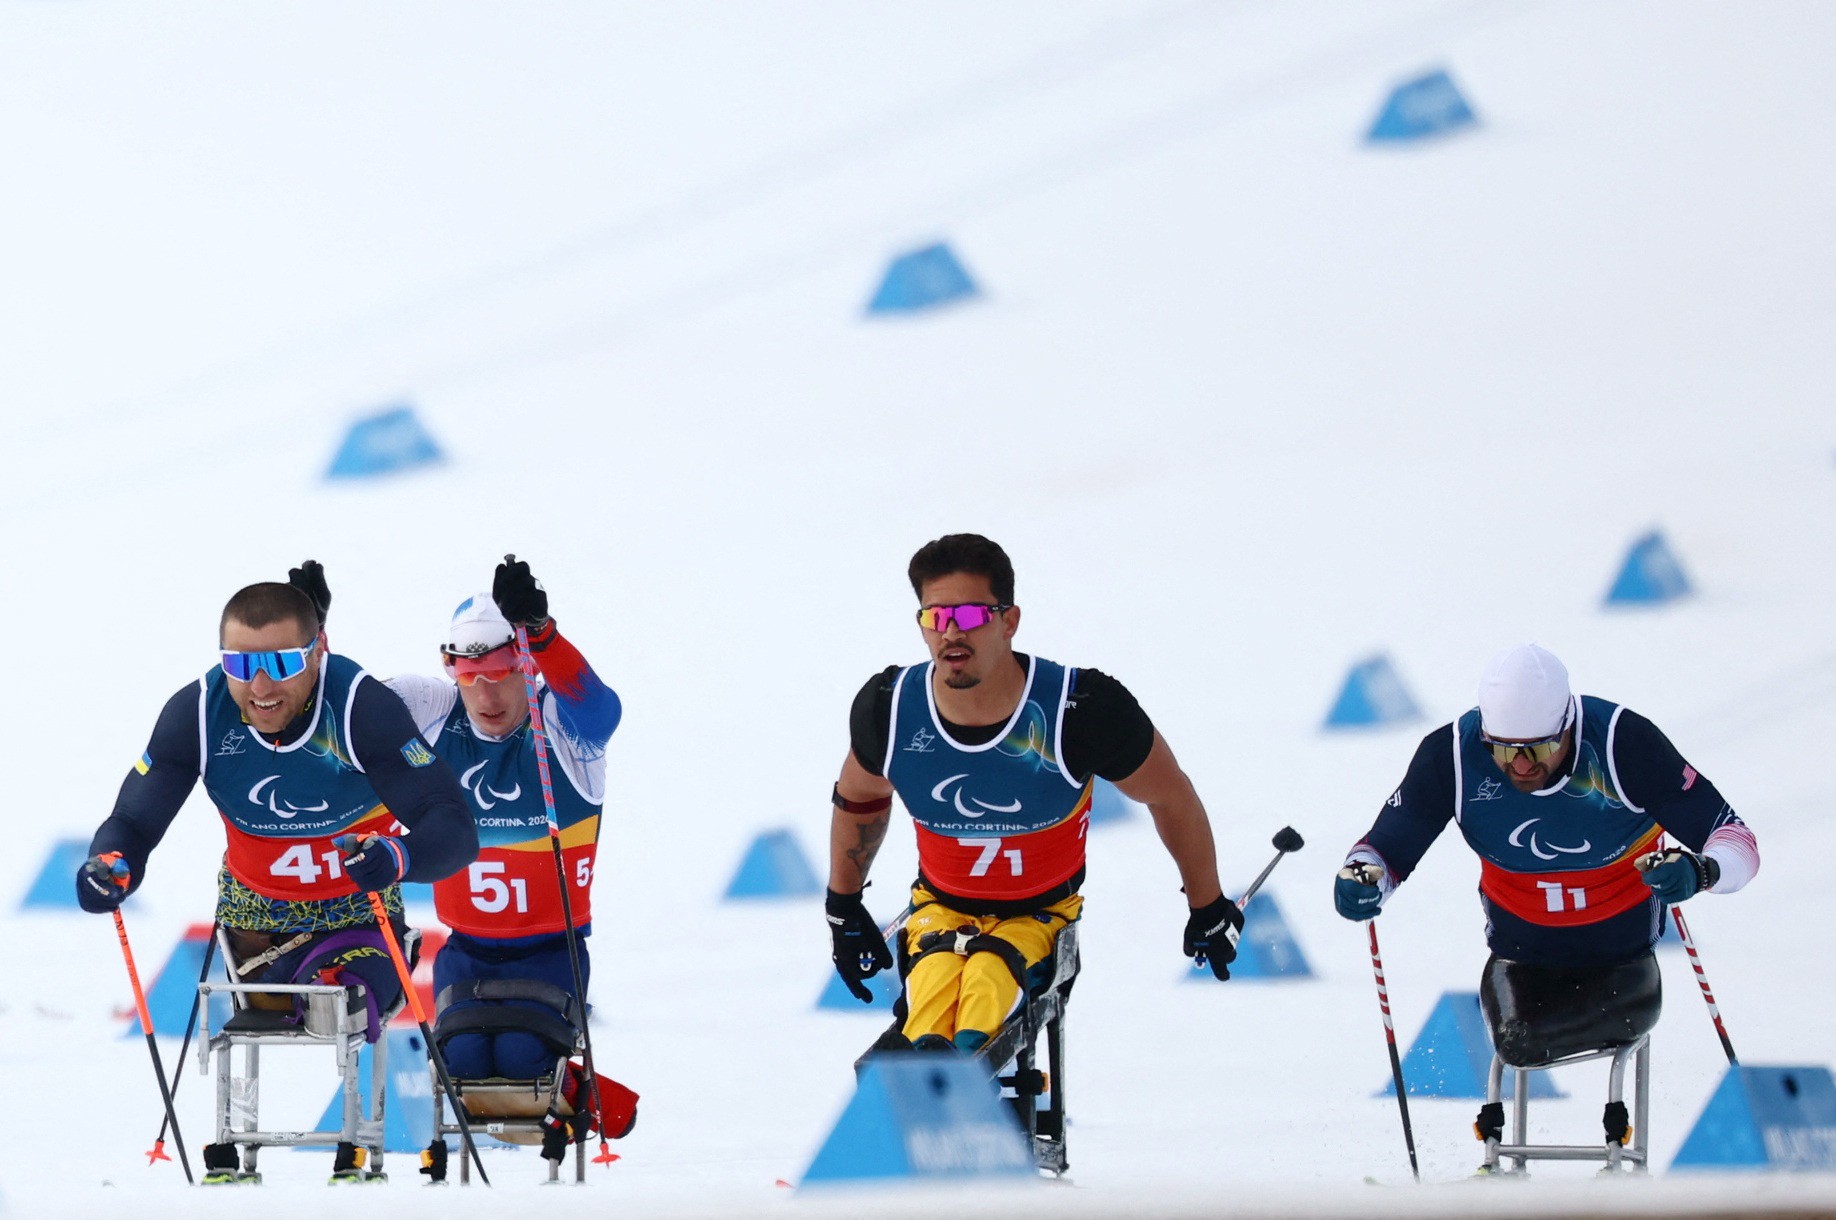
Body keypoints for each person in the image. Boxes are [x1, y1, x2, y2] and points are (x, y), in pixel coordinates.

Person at [76, 560, 480, 1181]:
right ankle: (240, 1139)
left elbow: (452, 827)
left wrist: (399, 856)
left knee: (342, 1001)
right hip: (258, 923)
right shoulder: (199, 711)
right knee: (288, 1003)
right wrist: (111, 866)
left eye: (282, 663)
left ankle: (354, 1142)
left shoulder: (359, 708)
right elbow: (132, 820)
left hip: (356, 911)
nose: (260, 686)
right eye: (240, 665)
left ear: (318, 652)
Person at [824, 533, 1241, 1055]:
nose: (951, 632)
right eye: (936, 617)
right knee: (931, 990)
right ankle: (922, 1075)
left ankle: (961, 1068)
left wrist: (1207, 905)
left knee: (987, 981)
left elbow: (1170, 796)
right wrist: (843, 907)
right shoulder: (889, 709)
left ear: (1009, 621)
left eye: (970, 615)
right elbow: (859, 798)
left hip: (1040, 916)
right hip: (939, 909)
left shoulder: (1080, 709)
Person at [1333, 643, 1759, 1074]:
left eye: (1537, 749)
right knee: (1519, 1042)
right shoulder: (1454, 755)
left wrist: (1701, 871)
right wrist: (1363, 877)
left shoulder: (1622, 743)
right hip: (1518, 964)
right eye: (1503, 750)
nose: (1520, 766)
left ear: (1568, 724)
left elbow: (1735, 838)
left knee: (1529, 1042)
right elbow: (1387, 846)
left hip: (1623, 965)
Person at [385, 557, 622, 1086]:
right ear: (450, 669)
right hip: (465, 950)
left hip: (550, 951)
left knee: (521, 1062)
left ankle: (574, 1108)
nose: (486, 695)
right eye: (470, 676)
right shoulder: (433, 709)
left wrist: (543, 634)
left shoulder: (557, 725)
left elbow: (601, 712)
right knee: (463, 1068)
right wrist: (312, 644)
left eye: (501, 672)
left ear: (526, 666)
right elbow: (347, 707)